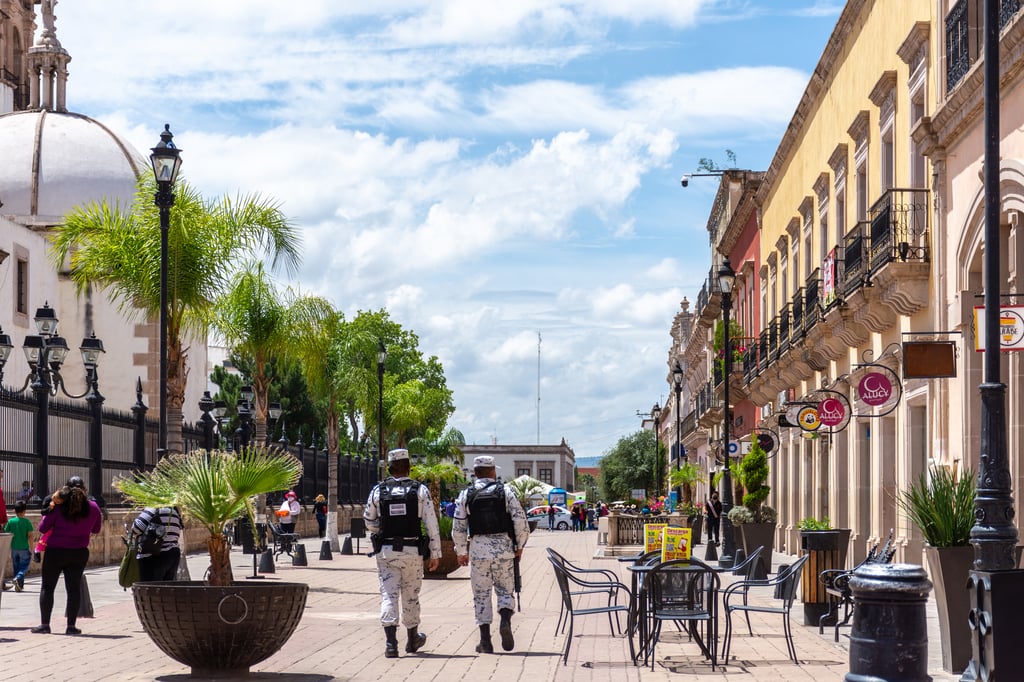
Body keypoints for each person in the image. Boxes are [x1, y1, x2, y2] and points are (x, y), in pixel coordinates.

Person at [364, 448, 441, 659]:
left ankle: (390, 644)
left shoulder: (378, 491)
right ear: (409, 467)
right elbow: (431, 523)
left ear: (389, 469)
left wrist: (381, 530)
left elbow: (368, 521)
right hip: (412, 551)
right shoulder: (420, 490)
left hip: (387, 552)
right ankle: (412, 639)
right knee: (411, 596)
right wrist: (435, 553)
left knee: (389, 595)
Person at [453, 455, 530, 654]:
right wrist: (519, 545)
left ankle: (485, 641)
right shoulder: (505, 491)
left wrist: (461, 551)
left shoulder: (466, 494)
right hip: (504, 549)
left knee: (481, 595)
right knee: (505, 590)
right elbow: (520, 521)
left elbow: (458, 526)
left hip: (478, 550)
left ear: (475, 473)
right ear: (493, 471)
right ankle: (504, 620)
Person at [32, 483, 102, 635]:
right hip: (79, 553)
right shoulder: (94, 507)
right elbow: (96, 529)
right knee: (73, 589)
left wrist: (49, 510)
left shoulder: (59, 508)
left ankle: (45, 625)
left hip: (55, 552)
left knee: (47, 588)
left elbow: (43, 528)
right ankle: (71, 626)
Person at [130, 506, 183, 582]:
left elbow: (136, 528)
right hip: (172, 556)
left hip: (153, 557)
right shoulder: (174, 511)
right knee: (166, 589)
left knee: (150, 590)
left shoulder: (152, 509)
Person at [4, 500, 34, 591]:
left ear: (14, 510)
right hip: (24, 548)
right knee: (24, 565)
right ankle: (18, 578)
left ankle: (19, 586)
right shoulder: (27, 522)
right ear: (25, 511)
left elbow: (6, 532)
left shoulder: (11, 521)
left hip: (14, 548)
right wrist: (31, 548)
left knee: (16, 566)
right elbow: (30, 536)